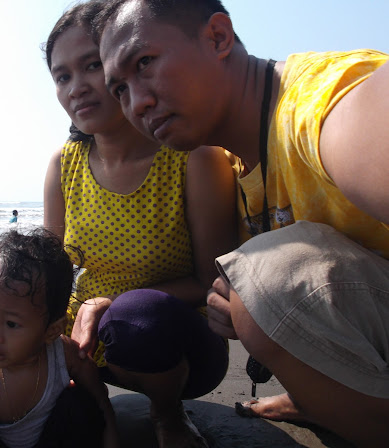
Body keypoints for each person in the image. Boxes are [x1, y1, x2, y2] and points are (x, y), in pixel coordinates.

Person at [0, 3, 237, 447]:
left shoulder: (194, 157)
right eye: (61, 76)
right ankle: (31, 405)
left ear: (121, 65)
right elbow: (42, 277)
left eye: (91, 66)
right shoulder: (64, 164)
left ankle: (167, 416)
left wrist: (109, 303)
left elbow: (215, 280)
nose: (77, 87)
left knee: (133, 317)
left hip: (164, 341)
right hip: (77, 338)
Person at [94, 0, 389, 445]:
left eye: (146, 62)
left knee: (264, 277)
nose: (138, 102)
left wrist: (258, 294)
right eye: (119, 89)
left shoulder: (319, 106)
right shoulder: (229, 162)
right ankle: (316, 401)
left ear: (218, 37)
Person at [0, 228, 117, 448]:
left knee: (80, 405)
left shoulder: (65, 354)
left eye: (11, 324)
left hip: (50, 439)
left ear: (52, 331)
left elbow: (101, 403)